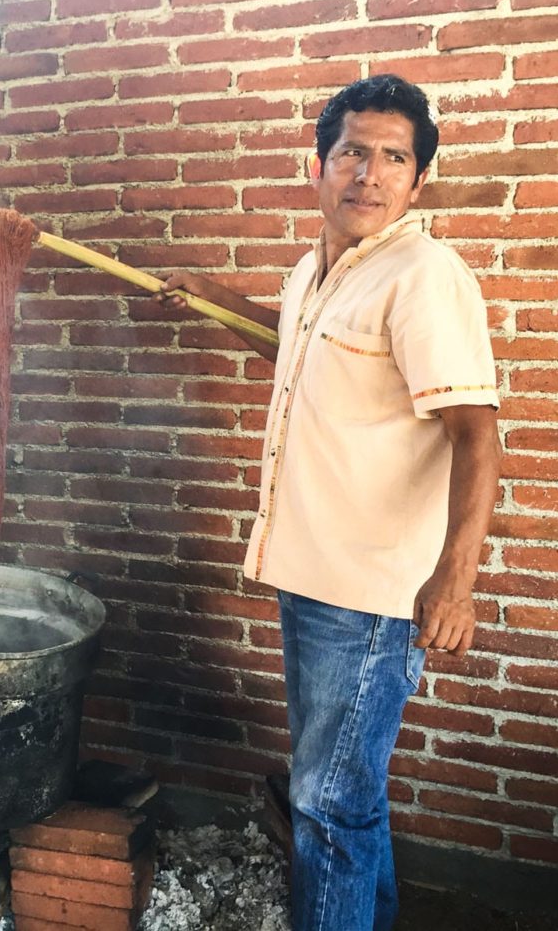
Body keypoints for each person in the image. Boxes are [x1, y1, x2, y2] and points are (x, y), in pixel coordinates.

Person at [154, 74, 502, 931]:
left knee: (324, 802)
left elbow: (475, 431)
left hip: (372, 596)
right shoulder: (318, 274)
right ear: (319, 164)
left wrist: (453, 582)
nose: (369, 174)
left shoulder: (421, 276)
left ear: (416, 182)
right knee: (347, 792)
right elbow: (298, 342)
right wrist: (211, 299)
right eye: (352, 151)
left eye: (394, 158)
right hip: (312, 576)